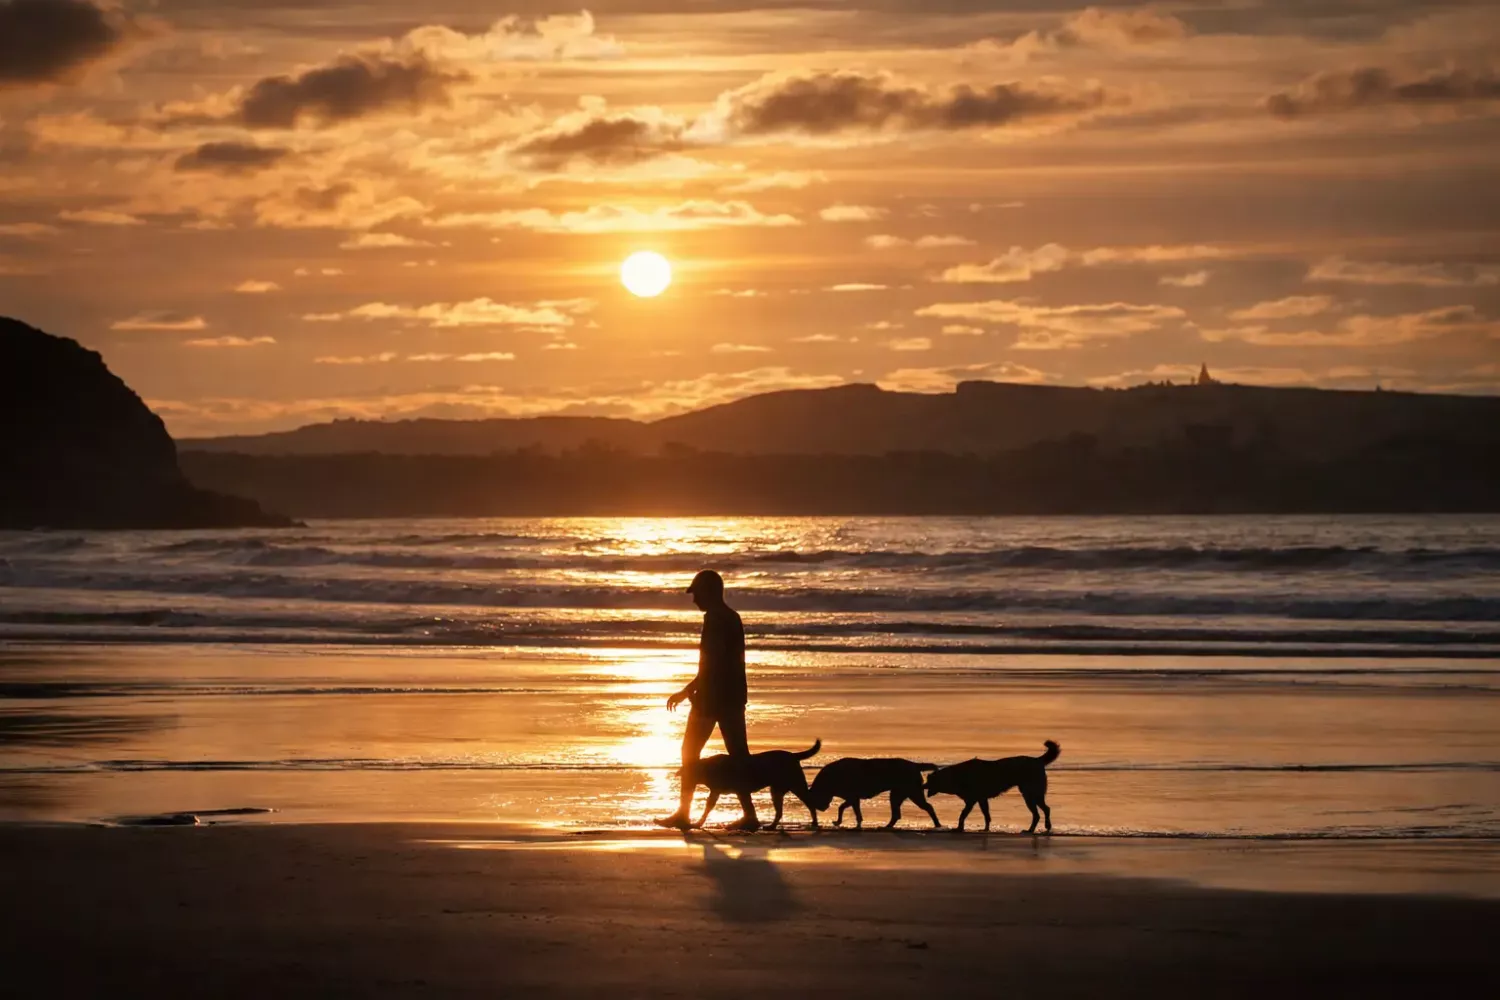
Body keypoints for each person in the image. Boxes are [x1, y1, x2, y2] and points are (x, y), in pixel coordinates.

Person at [655, 569, 759, 831]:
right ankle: (750, 815)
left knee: (689, 753)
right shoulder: (733, 618)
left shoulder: (715, 619)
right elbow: (728, 663)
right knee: (739, 757)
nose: (694, 600)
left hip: (712, 699)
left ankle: (683, 813)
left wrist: (687, 691)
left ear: (709, 592)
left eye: (697, 593)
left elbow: (711, 665)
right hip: (733, 697)